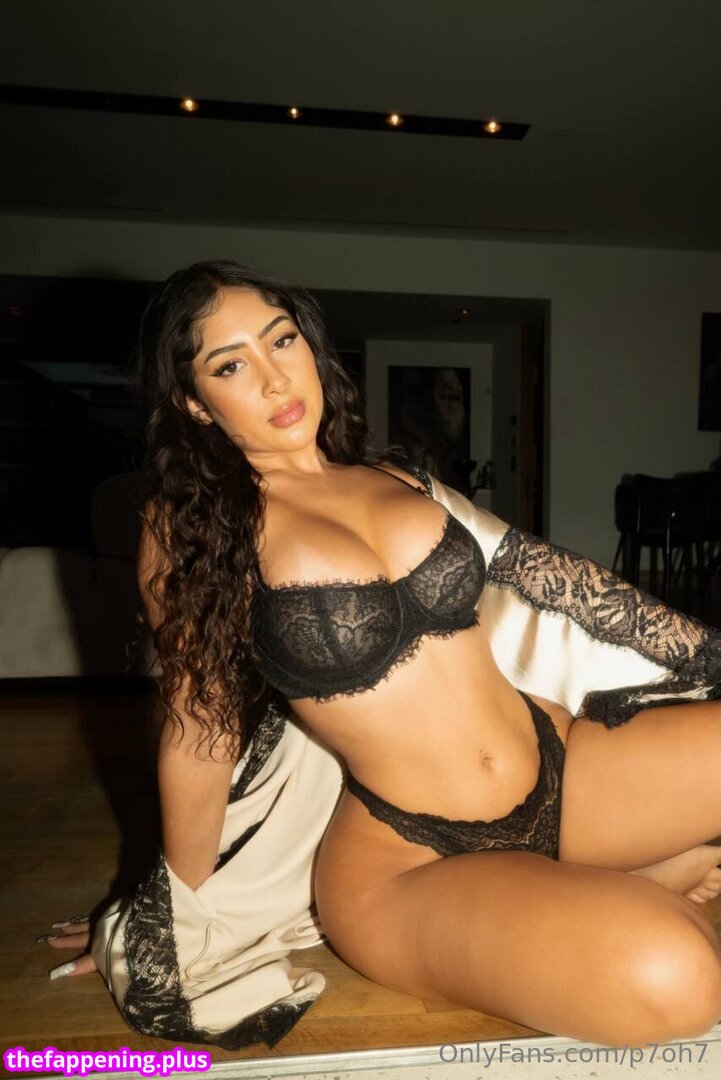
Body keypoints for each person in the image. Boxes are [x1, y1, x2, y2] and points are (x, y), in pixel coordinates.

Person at [42, 260, 721, 1051]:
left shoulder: (397, 478)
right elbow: (200, 732)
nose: (273, 378)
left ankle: (603, 877)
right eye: (230, 366)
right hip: (411, 857)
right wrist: (173, 910)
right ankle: (620, 884)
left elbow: (553, 583)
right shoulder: (191, 529)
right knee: (676, 980)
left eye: (281, 340)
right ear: (194, 402)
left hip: (565, 767)